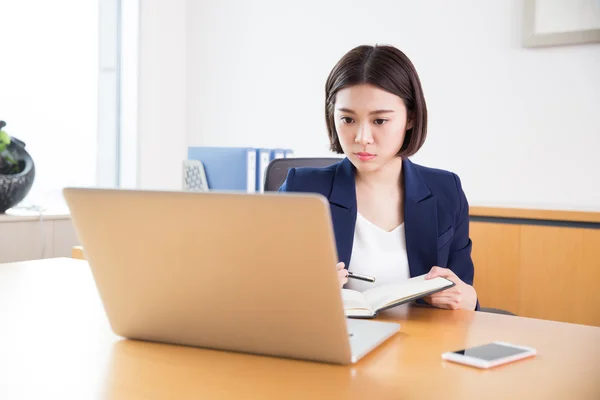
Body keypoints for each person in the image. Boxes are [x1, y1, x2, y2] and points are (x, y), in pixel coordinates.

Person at [279, 44, 478, 311]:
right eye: (348, 119)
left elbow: (462, 290)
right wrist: (304, 291)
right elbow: (260, 289)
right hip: (336, 345)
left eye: (380, 121)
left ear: (410, 118)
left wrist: (468, 299)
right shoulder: (301, 190)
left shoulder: (446, 191)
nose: (361, 137)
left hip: (422, 347)